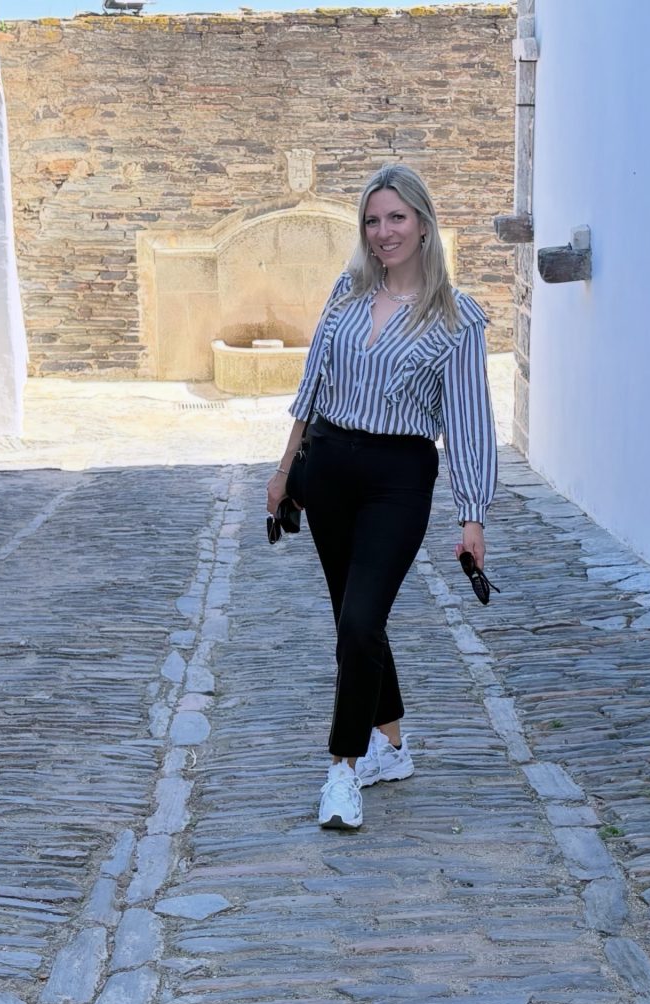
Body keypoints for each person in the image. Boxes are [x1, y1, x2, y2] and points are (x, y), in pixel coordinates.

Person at [267, 163, 497, 830]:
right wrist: (284, 472)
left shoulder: (457, 318)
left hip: (399, 477)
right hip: (327, 466)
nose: (383, 231)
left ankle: (343, 769)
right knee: (354, 618)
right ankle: (390, 747)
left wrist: (473, 516)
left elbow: (469, 424)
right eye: (372, 220)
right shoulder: (347, 291)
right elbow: (311, 385)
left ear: (423, 224)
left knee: (360, 620)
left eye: (396, 217)